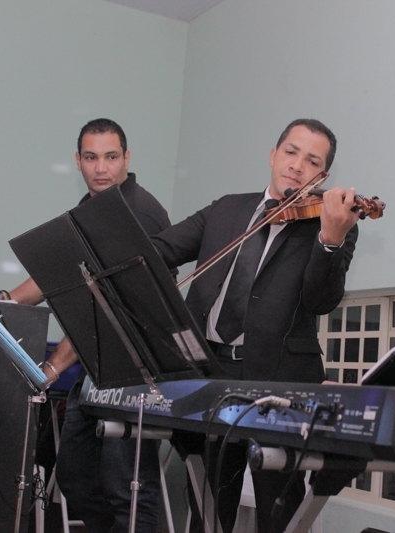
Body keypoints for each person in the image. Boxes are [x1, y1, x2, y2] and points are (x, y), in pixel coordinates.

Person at [150, 118, 360, 533]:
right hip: (210, 371)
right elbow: (159, 250)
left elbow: (321, 300)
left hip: (282, 381)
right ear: (273, 155)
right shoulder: (226, 209)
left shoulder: (331, 223)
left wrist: (330, 240)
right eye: (291, 152)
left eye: (312, 161)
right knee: (209, 502)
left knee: (277, 507)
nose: (297, 165)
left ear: (323, 175)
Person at [7, 118, 171, 533]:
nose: (101, 168)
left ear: (127, 158)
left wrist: (54, 366)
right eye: (91, 157)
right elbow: (57, 274)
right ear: (78, 161)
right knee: (75, 476)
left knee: (127, 489)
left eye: (111, 157)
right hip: (98, 367)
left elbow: (109, 307)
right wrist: (2, 303)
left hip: (138, 372)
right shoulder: (89, 209)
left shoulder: (139, 213)